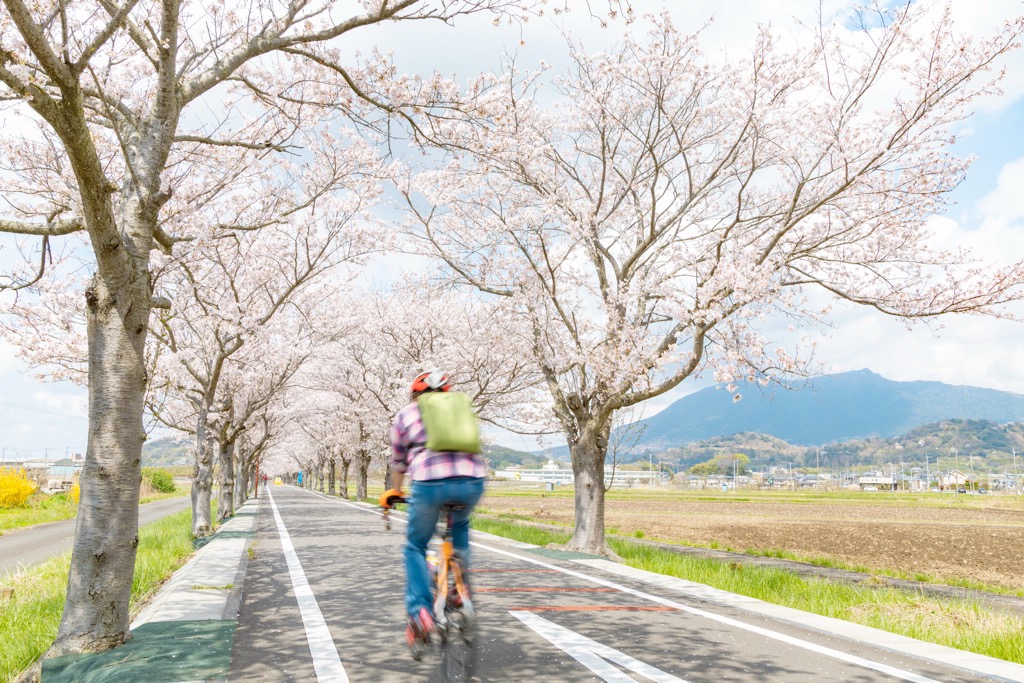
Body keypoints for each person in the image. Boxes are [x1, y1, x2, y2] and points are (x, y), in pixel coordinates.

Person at [379, 370, 486, 659]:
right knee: (460, 528)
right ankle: (459, 591)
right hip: (471, 482)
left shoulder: (406, 415)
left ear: (415, 395)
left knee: (416, 545)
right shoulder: (461, 411)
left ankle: (421, 613)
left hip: (429, 484)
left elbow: (399, 461)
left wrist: (394, 492)